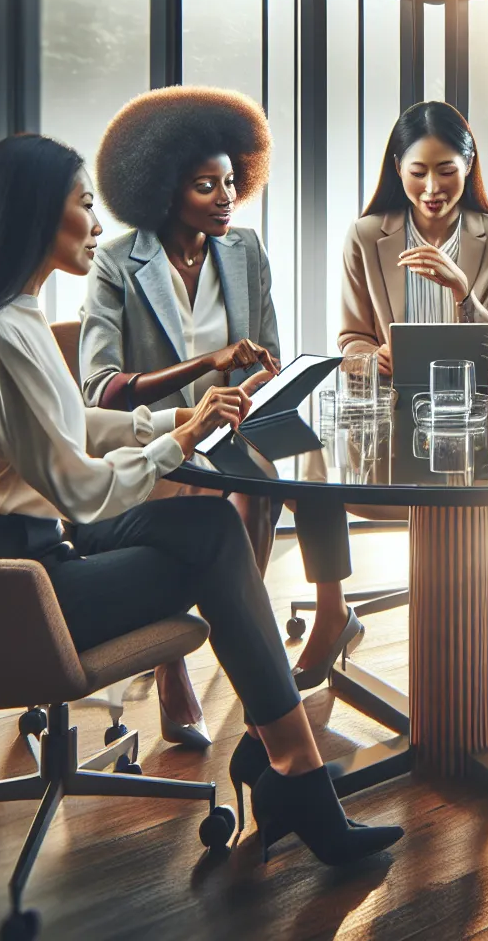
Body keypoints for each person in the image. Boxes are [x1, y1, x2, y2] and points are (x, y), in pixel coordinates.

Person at [0, 133, 401, 864]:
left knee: (212, 526)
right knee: (216, 545)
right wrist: (179, 441)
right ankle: (293, 772)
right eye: (85, 206)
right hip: (16, 584)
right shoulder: (5, 335)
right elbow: (81, 489)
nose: (98, 223)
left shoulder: (10, 316)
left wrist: (175, 418)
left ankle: (286, 762)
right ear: (36, 216)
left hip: (26, 550)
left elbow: (72, 424)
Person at [81, 87, 363, 724]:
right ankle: (175, 659)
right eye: (206, 186)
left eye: (232, 181)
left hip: (237, 431)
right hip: (160, 437)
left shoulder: (246, 250)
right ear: (164, 189)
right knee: (234, 489)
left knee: (306, 470)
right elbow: (98, 389)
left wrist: (264, 385)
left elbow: (269, 356)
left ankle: (321, 616)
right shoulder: (118, 263)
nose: (226, 197)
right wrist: (205, 374)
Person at [339, 101, 488, 373]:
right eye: (418, 173)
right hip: (392, 403)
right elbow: (352, 338)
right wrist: (372, 358)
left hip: (468, 404)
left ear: (469, 164)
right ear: (399, 167)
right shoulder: (364, 236)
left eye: (447, 171)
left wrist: (463, 291)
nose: (432, 188)